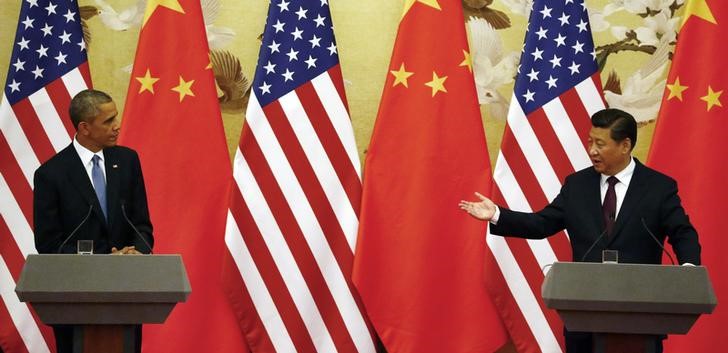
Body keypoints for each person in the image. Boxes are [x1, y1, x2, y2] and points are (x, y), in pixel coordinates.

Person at [459, 108, 700, 353]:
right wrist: (498, 215)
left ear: (625, 145)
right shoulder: (577, 185)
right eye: (589, 142)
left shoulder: (658, 187)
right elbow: (542, 223)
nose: (592, 150)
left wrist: (689, 272)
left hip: (640, 318)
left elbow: (683, 233)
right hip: (584, 319)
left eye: (600, 144)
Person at [33, 89, 153, 353]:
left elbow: (142, 225)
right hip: (75, 296)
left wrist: (137, 252)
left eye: (115, 118)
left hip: (124, 293)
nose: (116, 126)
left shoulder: (127, 160)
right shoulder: (51, 174)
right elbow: (48, 244)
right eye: (108, 121)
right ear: (85, 128)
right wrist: (104, 258)